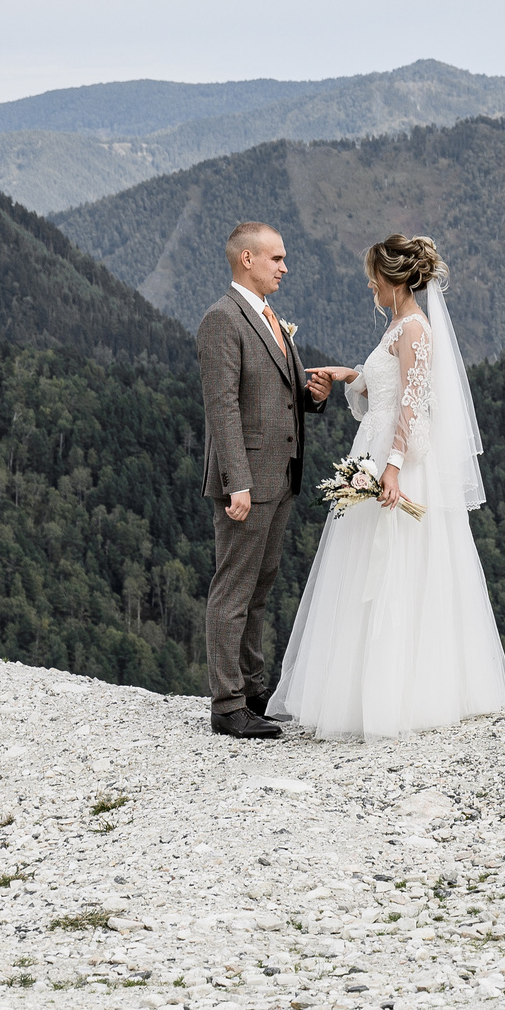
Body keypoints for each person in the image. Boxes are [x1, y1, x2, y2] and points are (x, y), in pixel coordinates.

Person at [273, 234, 505, 740]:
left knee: (397, 566)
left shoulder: (416, 330)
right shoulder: (398, 326)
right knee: (364, 566)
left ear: (395, 279)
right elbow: (385, 384)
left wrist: (394, 467)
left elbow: (411, 402)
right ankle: (363, 691)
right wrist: (351, 376)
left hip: (394, 455)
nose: (369, 284)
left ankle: (397, 695)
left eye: (374, 277)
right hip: (377, 444)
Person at [197, 221, 325, 740]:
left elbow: (278, 390)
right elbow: (222, 408)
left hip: (282, 475)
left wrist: (311, 394)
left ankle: (253, 692)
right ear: (247, 259)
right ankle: (227, 705)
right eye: (276, 258)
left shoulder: (269, 317)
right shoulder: (221, 320)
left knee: (260, 587)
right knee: (233, 589)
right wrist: (237, 483)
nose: (285, 267)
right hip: (248, 480)